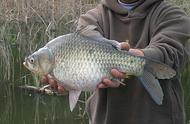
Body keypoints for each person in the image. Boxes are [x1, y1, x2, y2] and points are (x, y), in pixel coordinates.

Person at [42, 0, 190, 124]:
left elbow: (173, 52)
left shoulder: (173, 16)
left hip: (158, 118)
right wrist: (69, 80)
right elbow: (84, 52)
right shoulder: (93, 18)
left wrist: (137, 58)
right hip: (106, 118)